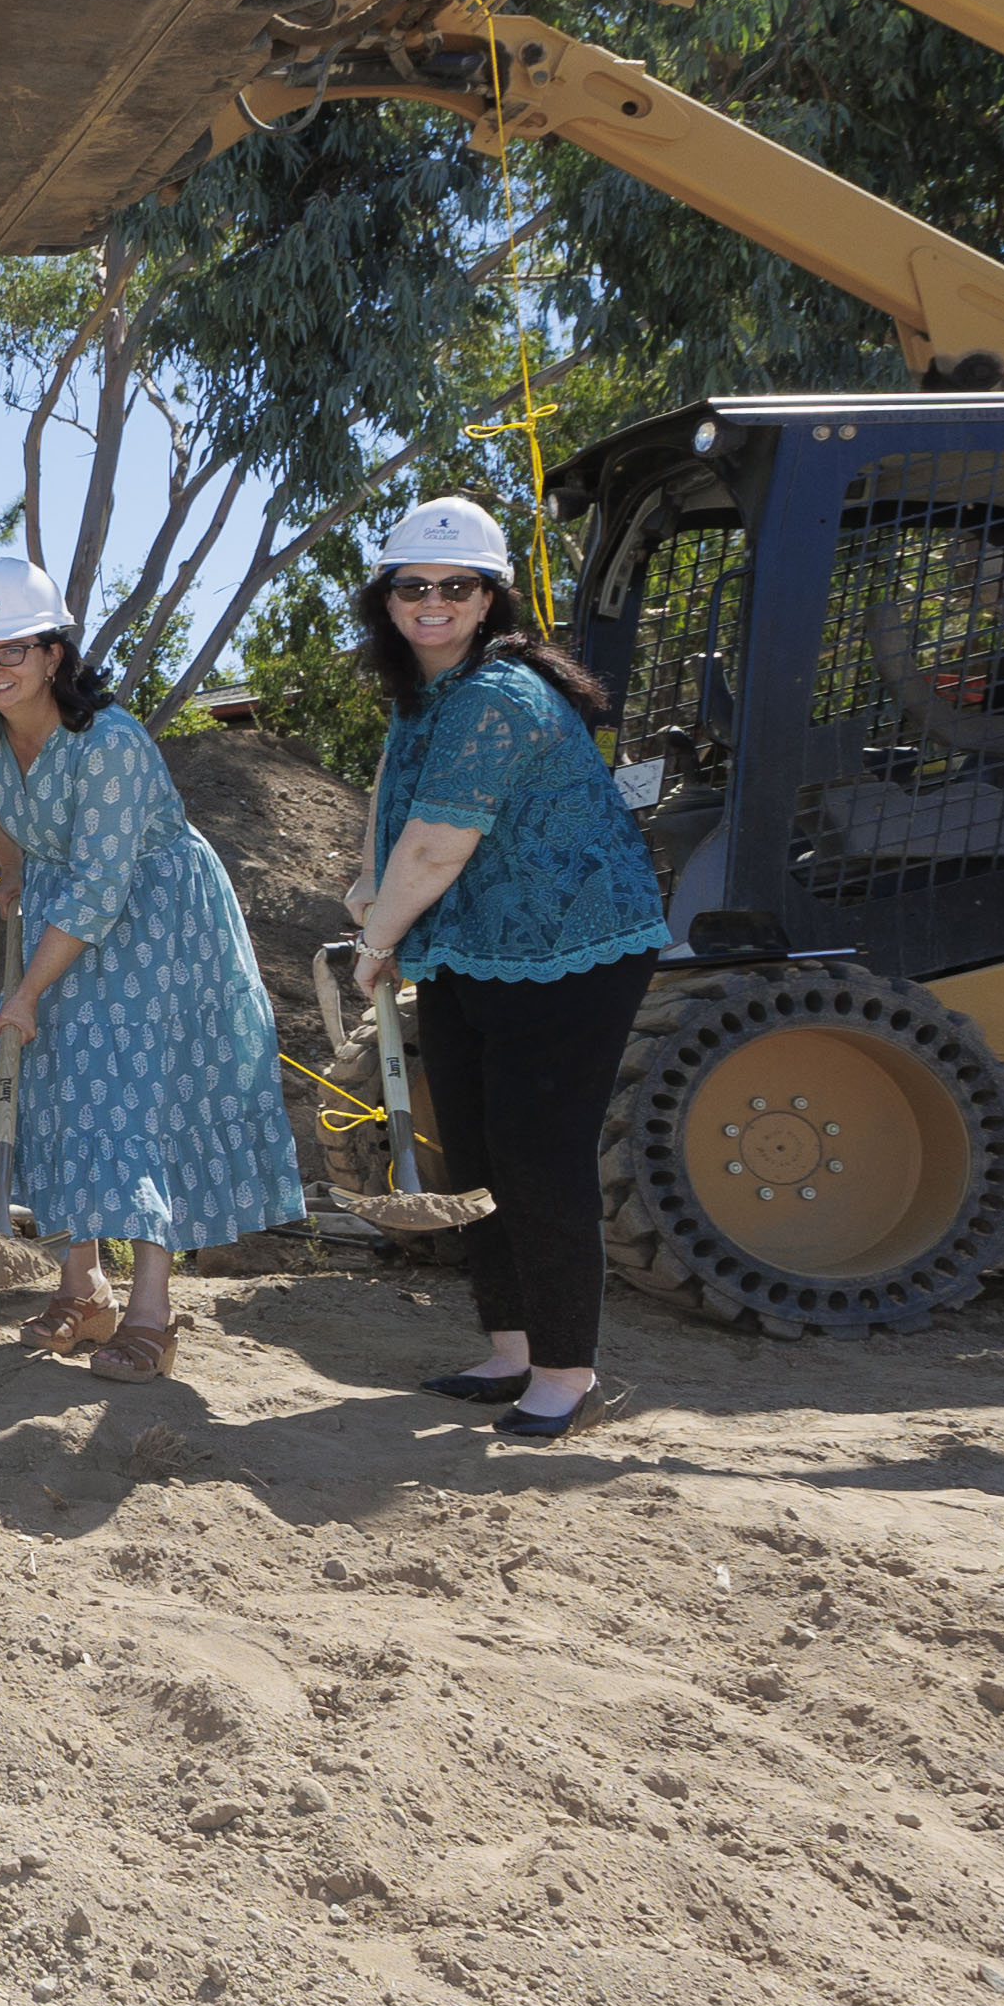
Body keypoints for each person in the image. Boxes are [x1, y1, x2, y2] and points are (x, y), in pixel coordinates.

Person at [348, 495, 668, 1439]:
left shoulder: (495, 695)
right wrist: (369, 893)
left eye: (455, 586)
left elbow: (440, 845)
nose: (432, 602)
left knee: (537, 1155)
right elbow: (392, 811)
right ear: (388, 599)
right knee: (479, 1155)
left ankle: (566, 1373)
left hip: (571, 949)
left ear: (488, 599)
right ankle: (512, 1348)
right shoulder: (425, 695)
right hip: (474, 947)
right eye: (413, 587)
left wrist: (374, 946)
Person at [0, 555, 308, 1382]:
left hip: (155, 918)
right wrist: (12, 873)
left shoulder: (107, 741)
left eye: (10, 649)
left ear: (52, 654)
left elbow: (105, 884)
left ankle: (152, 1311)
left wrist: (27, 989)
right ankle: (85, 1290)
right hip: (63, 906)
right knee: (58, 1085)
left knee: (140, 1094)